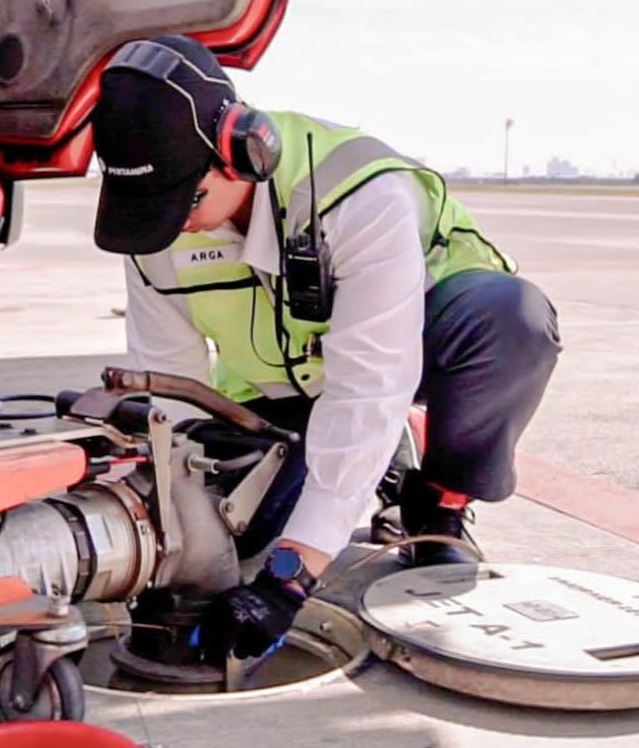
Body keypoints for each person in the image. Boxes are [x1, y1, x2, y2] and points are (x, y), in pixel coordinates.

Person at [89, 35, 562, 663]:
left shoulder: (356, 194)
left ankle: (436, 504)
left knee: (509, 320)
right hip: (275, 394)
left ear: (241, 151)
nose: (173, 223)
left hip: (419, 343)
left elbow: (371, 379)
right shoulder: (156, 229)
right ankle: (373, 451)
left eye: (187, 199)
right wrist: (171, 517)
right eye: (152, 207)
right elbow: (171, 385)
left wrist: (293, 574)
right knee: (235, 534)